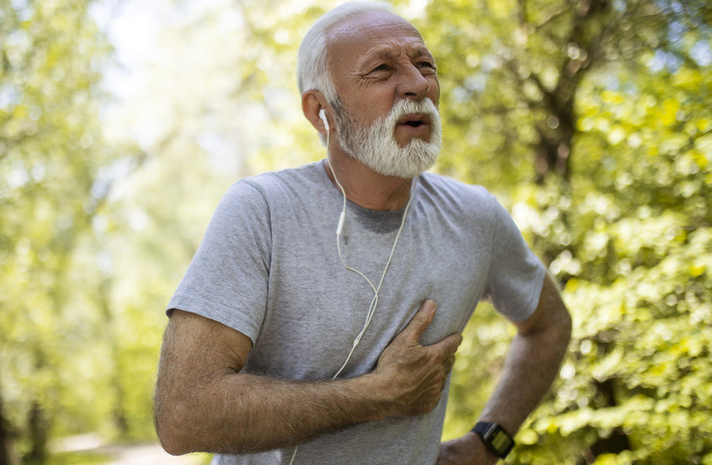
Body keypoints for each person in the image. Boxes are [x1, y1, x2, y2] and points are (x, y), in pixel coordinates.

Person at [153, 2, 572, 464]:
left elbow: (549, 325)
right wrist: (379, 395)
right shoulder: (262, 211)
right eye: (381, 70)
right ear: (321, 112)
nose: (417, 85)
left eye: (425, 64)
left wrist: (488, 441)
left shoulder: (475, 216)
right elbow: (183, 414)